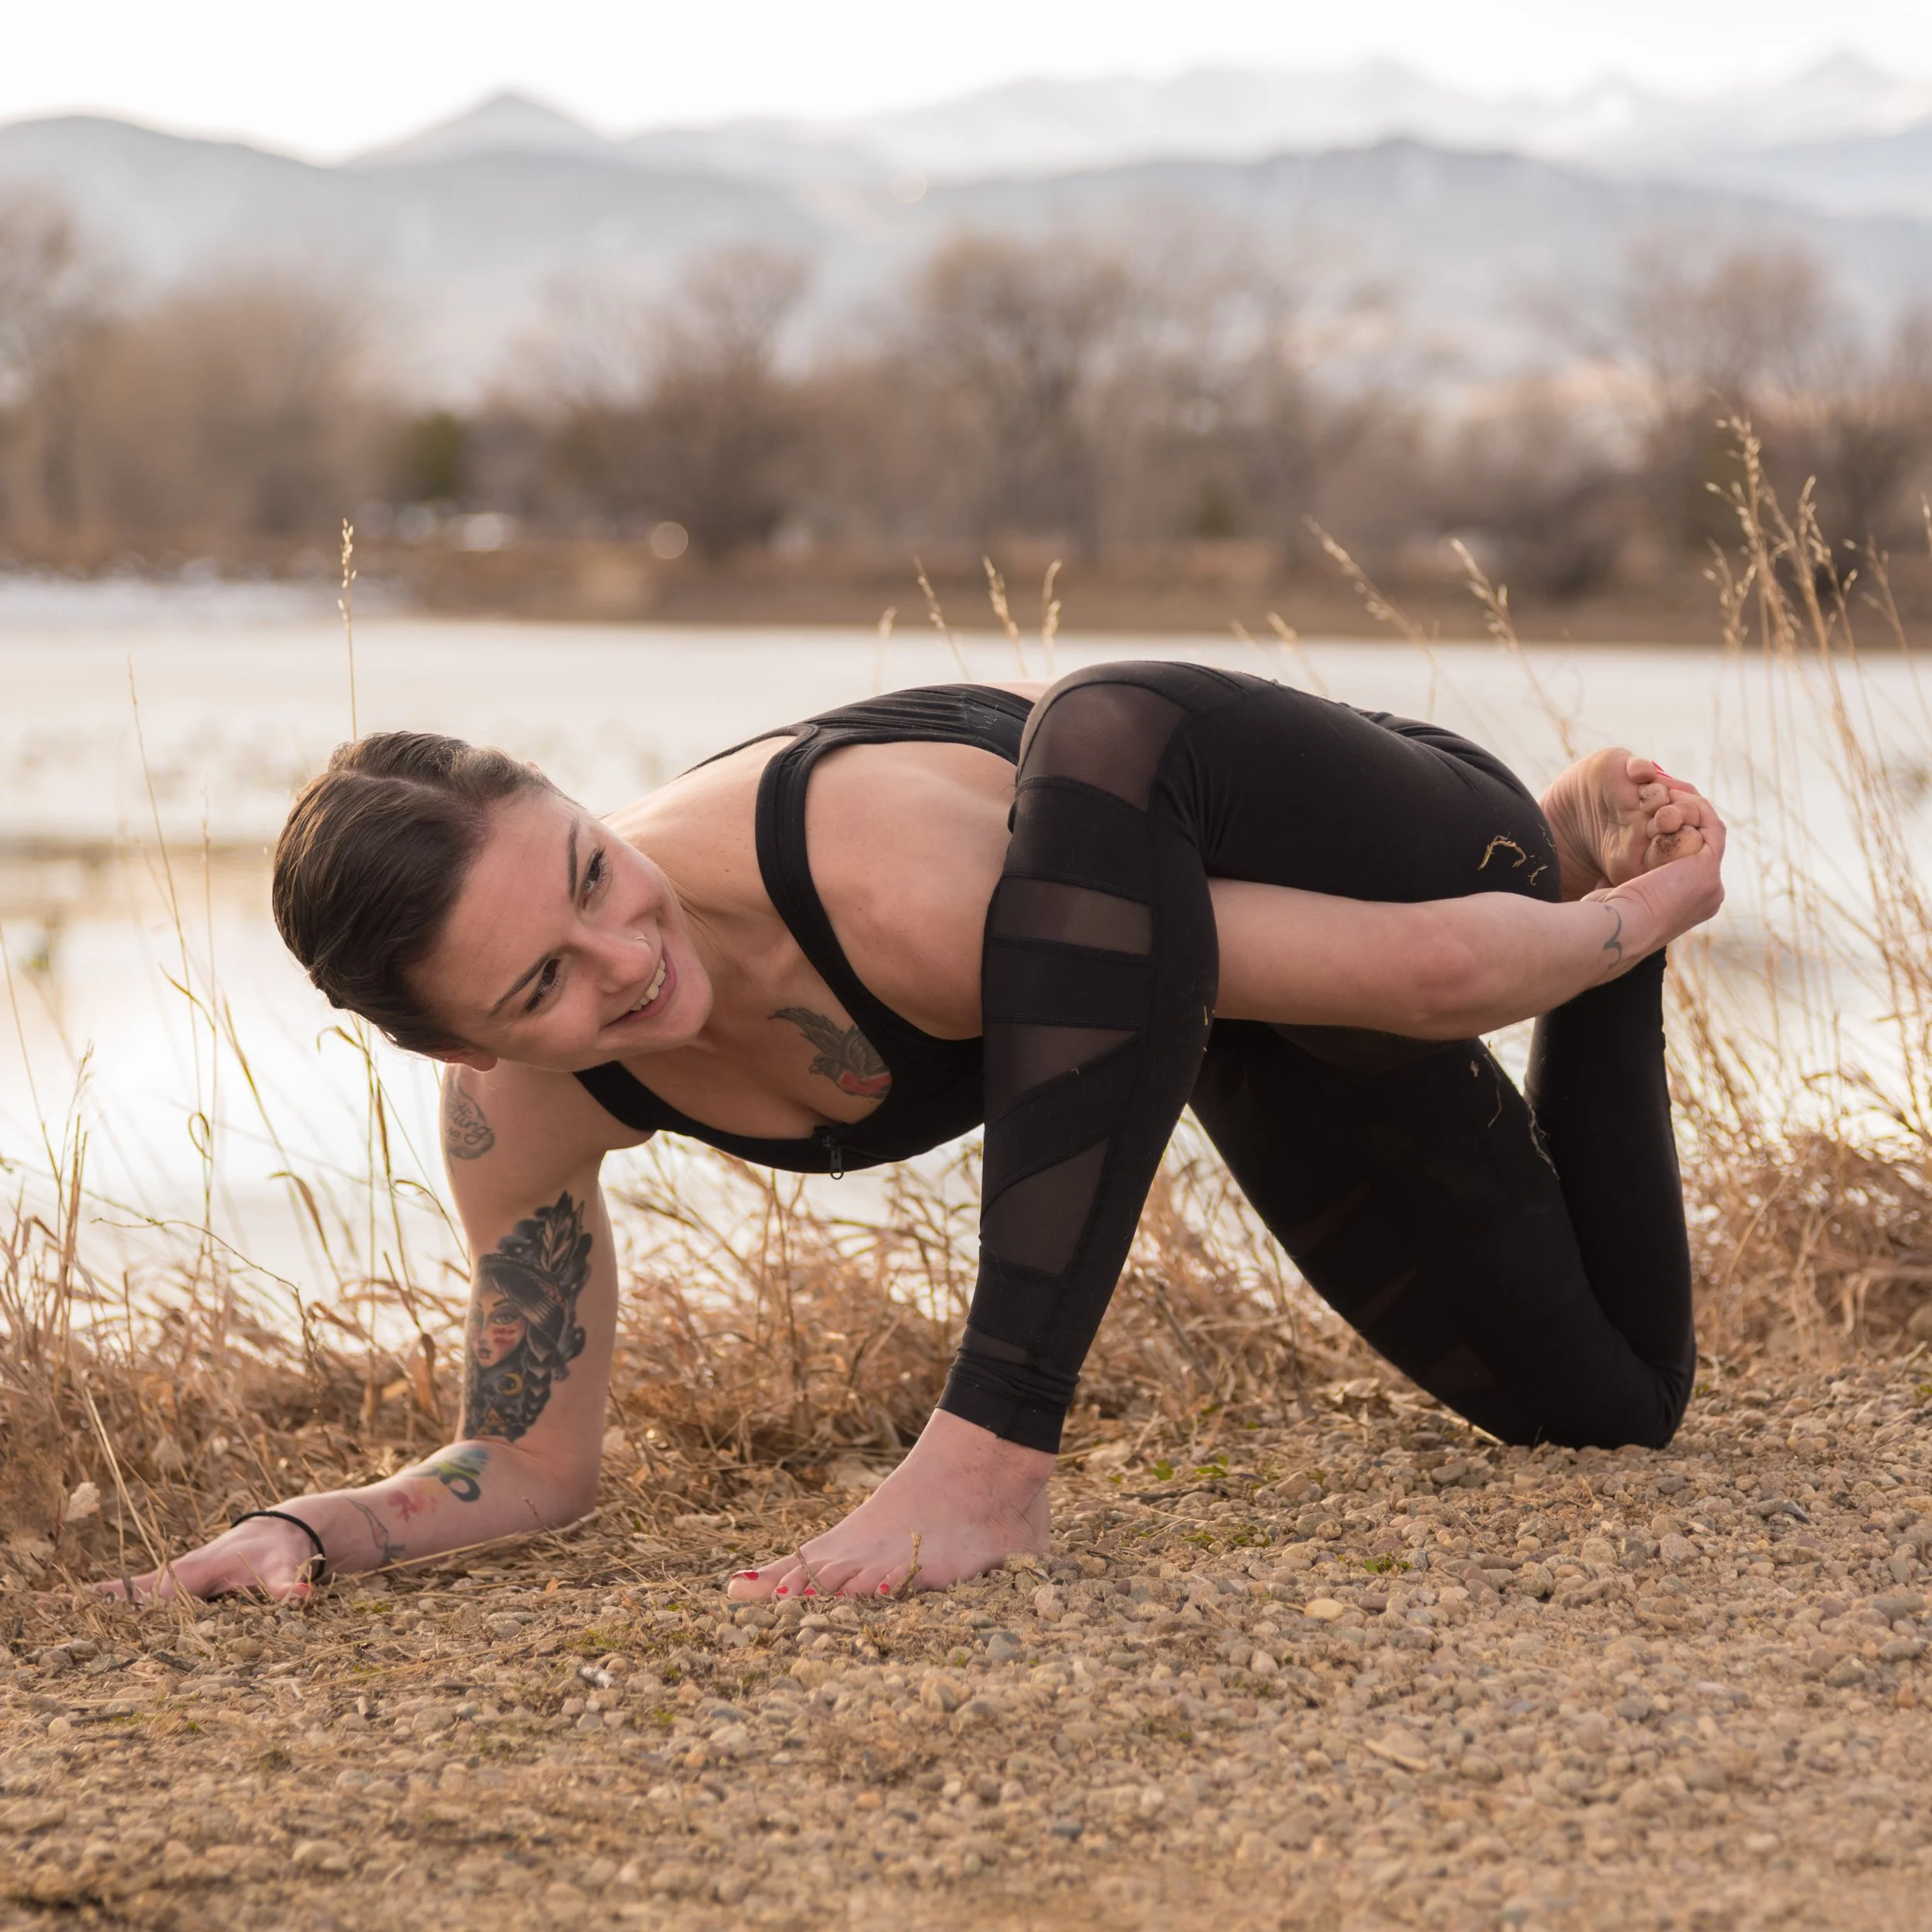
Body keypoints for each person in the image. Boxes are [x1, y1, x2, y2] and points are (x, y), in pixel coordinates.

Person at [111, 661, 1724, 1604]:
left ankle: (986, 1457)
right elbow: (532, 1459)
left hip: (1410, 864)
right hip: (1215, 1008)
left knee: (1104, 731)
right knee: (1607, 1406)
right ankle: (1602, 919)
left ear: (577, 807)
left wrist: (1620, 905)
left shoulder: (899, 892)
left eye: (591, 870)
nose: (629, 958)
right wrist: (311, 1523)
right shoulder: (508, 1121)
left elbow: (1436, 966)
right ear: (465, 1044)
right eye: (544, 982)